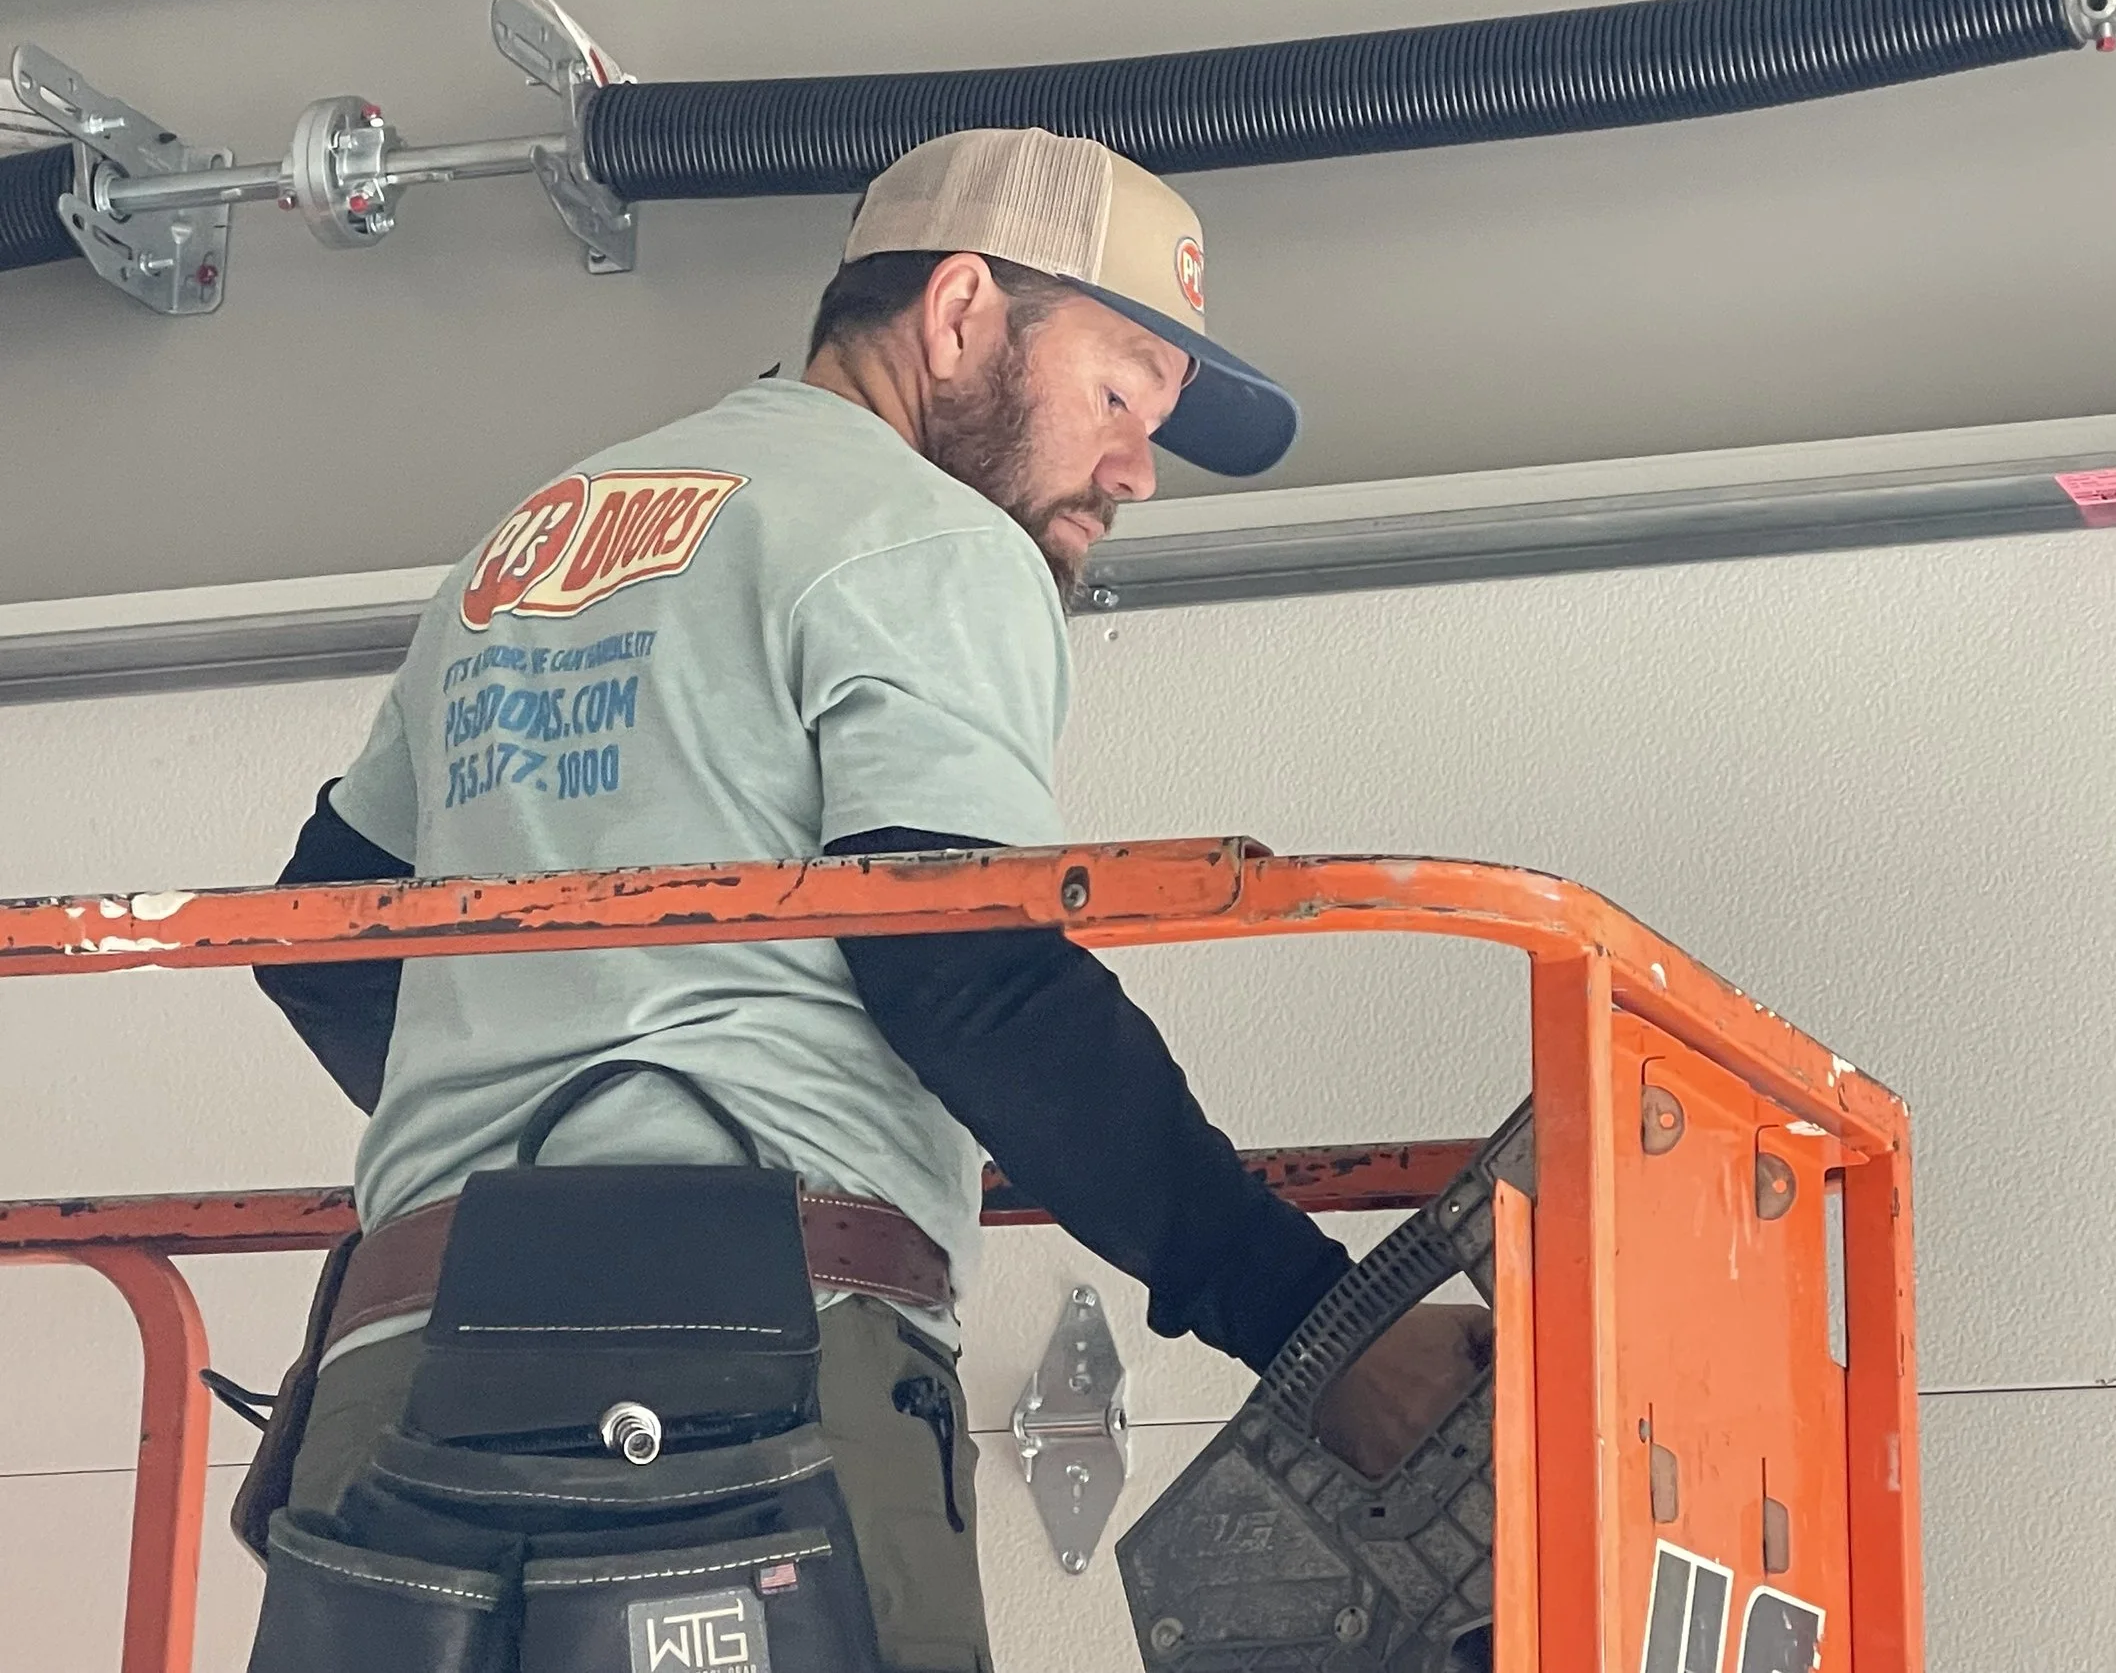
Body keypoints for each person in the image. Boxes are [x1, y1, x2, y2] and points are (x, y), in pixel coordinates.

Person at [248, 126, 1491, 1672]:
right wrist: (1318, 1323)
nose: (1138, 468)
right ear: (962, 314)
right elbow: (967, 978)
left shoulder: (536, 541)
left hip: (392, 1372)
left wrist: (543, 1148)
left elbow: (320, 932)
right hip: (739, 1388)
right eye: (1117, 390)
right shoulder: (931, 539)